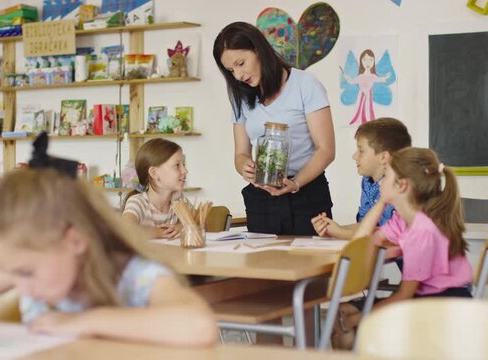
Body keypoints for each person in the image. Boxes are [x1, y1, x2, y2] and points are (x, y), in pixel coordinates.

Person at [0, 168, 216, 346]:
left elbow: (199, 325)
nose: (20, 287)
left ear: (74, 241)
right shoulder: (22, 267)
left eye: (27, 273)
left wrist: (86, 321)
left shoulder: (134, 275)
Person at [331, 147, 473, 349]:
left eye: (386, 175)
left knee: (353, 321)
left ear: (402, 185)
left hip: (443, 304)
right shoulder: (402, 219)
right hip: (425, 298)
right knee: (342, 310)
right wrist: (381, 200)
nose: (382, 180)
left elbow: (405, 295)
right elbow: (364, 238)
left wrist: (360, 319)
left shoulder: (422, 231)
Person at [213, 22, 335, 235]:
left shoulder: (305, 84)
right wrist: (245, 167)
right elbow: (241, 153)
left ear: (258, 50)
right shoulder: (241, 98)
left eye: (241, 63)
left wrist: (295, 183)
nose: (239, 75)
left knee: (311, 264)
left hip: (307, 195)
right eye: (231, 70)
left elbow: (326, 150)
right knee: (262, 266)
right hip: (262, 200)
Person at [311, 117, 411, 239]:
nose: (354, 156)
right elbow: (366, 225)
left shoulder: (400, 188)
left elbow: (385, 234)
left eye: (361, 151)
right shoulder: (368, 181)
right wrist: (332, 229)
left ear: (383, 157)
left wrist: (339, 233)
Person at [122, 138, 187, 239]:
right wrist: (161, 233)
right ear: (154, 173)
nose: (185, 170)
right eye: (177, 165)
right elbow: (124, 230)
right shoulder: (138, 202)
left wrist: (181, 227)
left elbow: (200, 223)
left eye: (183, 164)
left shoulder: (179, 199)